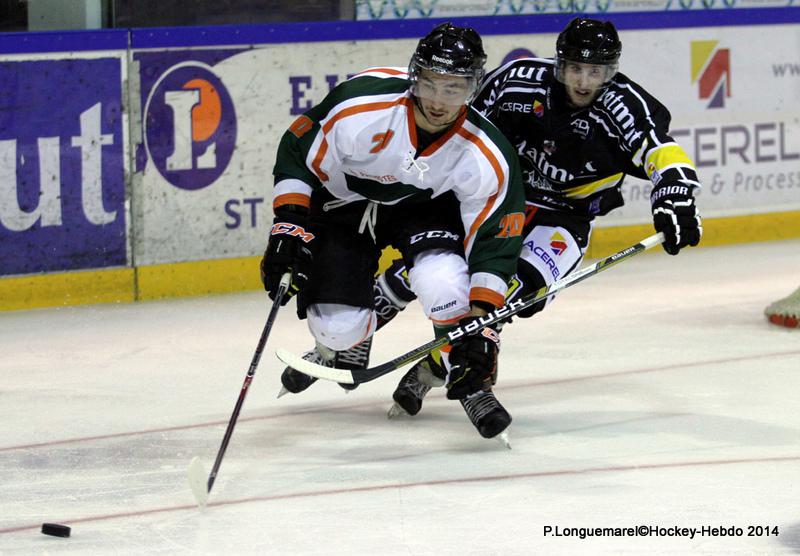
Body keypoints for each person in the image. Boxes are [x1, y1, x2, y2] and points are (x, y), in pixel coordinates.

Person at [374, 17, 704, 418]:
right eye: (575, 69)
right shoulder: (519, 80)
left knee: (511, 294)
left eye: (595, 71)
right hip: (501, 200)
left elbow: (660, 150)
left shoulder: (624, 105)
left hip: (565, 219)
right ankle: (362, 320)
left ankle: (437, 367)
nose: (583, 81)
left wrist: (676, 193)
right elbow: (462, 124)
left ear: (610, 71)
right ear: (559, 63)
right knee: (438, 264)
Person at [261, 23, 526, 439]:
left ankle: (469, 377)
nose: (439, 101)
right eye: (431, 83)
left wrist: (482, 325)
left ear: (473, 88)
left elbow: (495, 240)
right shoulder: (360, 103)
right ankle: (355, 330)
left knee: (443, 282)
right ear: (414, 75)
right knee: (337, 329)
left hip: (422, 209)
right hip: (345, 203)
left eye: (454, 88)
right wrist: (289, 226)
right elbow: (298, 149)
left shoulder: (486, 152)